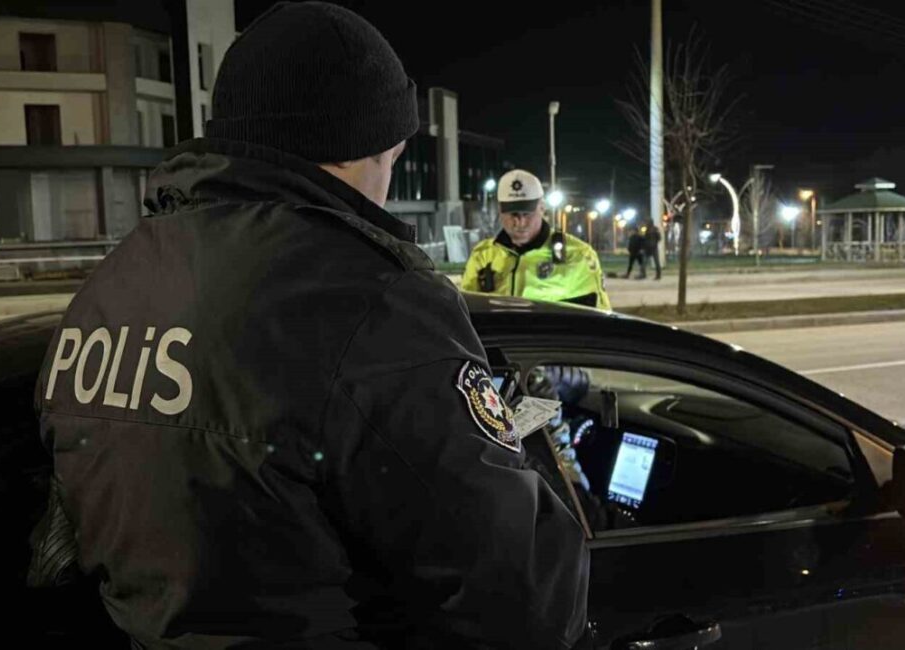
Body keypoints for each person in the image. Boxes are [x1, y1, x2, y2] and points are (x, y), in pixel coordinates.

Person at [32, 3, 589, 648]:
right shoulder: (371, 299)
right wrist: (522, 447)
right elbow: (525, 596)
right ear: (367, 145)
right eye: (392, 154)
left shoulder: (115, 283)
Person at [462, 169, 611, 310]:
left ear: (542, 208)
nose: (520, 222)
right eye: (513, 214)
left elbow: (598, 317)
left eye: (527, 214)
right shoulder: (483, 255)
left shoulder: (577, 255)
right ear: (500, 211)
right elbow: (465, 313)